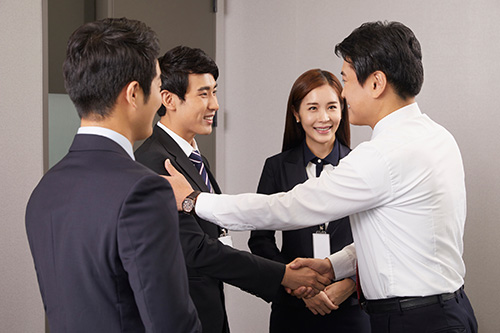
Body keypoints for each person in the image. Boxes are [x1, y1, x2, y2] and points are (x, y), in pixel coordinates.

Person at [165, 21, 478, 333]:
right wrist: (332, 266)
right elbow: (395, 236)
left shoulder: (381, 155)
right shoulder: (438, 137)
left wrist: (194, 200)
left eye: (346, 81)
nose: (344, 96)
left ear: (376, 83)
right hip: (449, 311)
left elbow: (288, 207)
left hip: (413, 321)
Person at [135, 46, 330, 333]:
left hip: (209, 314)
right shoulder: (157, 163)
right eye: (203, 94)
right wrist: (283, 276)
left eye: (214, 91)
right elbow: (197, 250)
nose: (214, 104)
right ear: (169, 99)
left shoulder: (192, 157)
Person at [25, 18, 201, 332]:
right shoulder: (144, 190)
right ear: (134, 93)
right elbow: (171, 323)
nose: (161, 99)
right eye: (158, 86)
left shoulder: (44, 190)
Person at [248, 68, 370, 333]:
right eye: (312, 108)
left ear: (342, 110)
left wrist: (349, 283)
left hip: (350, 309)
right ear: (296, 113)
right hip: (293, 311)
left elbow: (377, 238)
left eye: (332, 107)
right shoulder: (276, 167)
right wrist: (297, 285)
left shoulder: (362, 165)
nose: (323, 118)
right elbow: (259, 239)